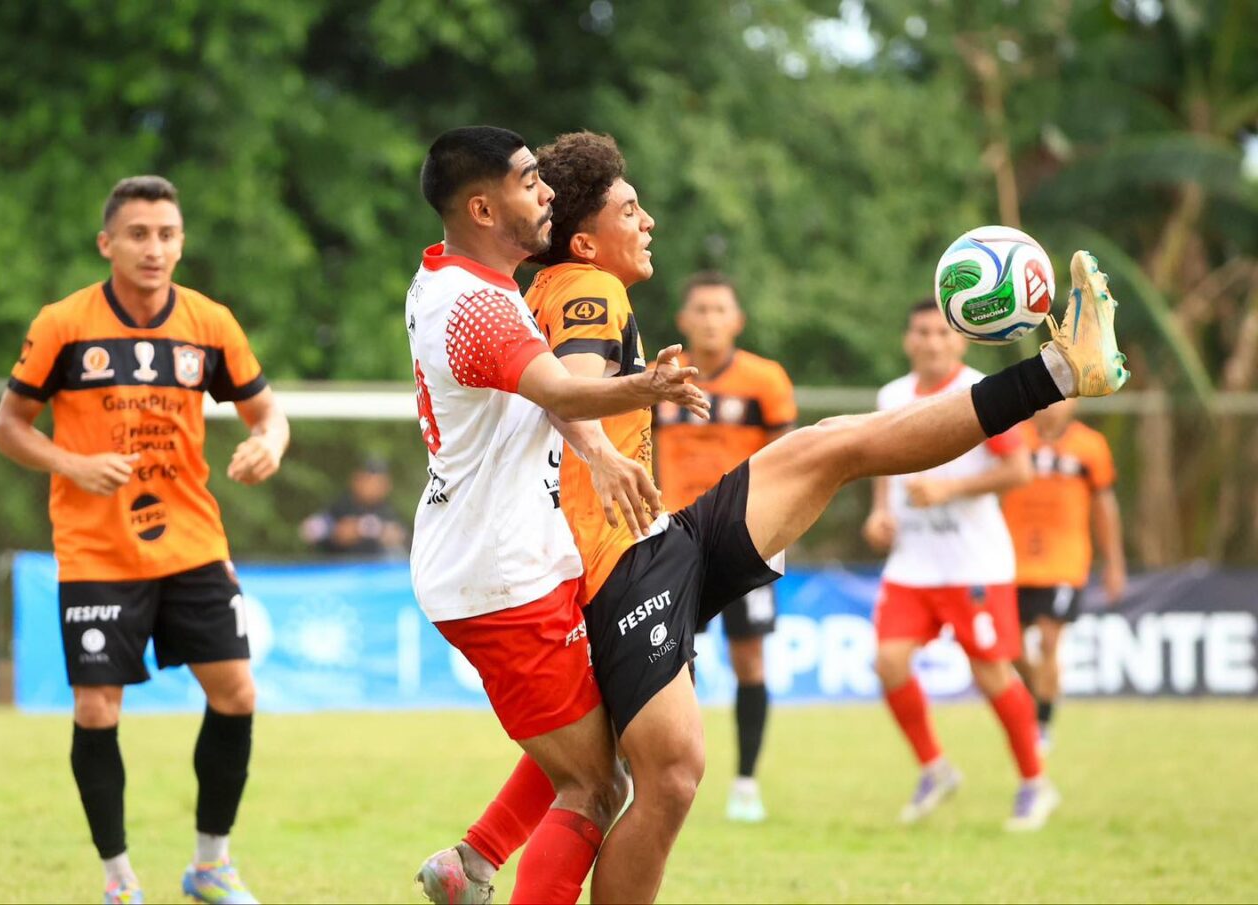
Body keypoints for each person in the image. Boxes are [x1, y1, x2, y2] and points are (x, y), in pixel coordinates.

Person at [419, 129, 1129, 904]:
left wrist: (601, 441)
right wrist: (607, 441)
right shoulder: (589, 290)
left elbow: (559, 391)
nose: (648, 218)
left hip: (652, 541)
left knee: (835, 444)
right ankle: (1056, 372)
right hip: (617, 567)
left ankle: (1058, 370)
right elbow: (576, 382)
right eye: (631, 206)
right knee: (657, 777)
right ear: (587, 240)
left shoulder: (541, 291)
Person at [405, 126, 711, 905]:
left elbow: (538, 394)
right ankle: (474, 861)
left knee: (593, 740)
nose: (543, 190)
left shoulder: (463, 279)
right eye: (526, 179)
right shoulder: (478, 307)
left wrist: (602, 455)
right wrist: (649, 388)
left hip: (503, 557)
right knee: (590, 782)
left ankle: (472, 859)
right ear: (482, 206)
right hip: (502, 576)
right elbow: (570, 386)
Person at [0, 176, 290, 904]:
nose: (154, 248)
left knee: (237, 693)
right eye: (138, 234)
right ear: (108, 244)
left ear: (181, 242)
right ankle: (119, 879)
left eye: (167, 234)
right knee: (97, 709)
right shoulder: (64, 324)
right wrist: (73, 463)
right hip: (97, 548)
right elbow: (7, 427)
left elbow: (267, 415)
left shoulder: (210, 322)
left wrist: (269, 444)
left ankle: (210, 864)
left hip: (190, 540)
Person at [862, 298, 1062, 831]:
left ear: (962, 339)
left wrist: (950, 488)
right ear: (909, 339)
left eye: (940, 333)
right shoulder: (892, 396)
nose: (931, 342)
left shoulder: (981, 394)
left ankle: (1034, 783)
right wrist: (881, 513)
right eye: (921, 332)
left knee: (990, 673)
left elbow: (1019, 470)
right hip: (913, 564)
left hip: (974, 565)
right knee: (888, 662)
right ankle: (935, 769)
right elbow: (884, 465)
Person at [653, 271, 797, 823]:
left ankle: (745, 783)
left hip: (748, 537)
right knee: (663, 659)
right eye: (701, 310)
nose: (710, 319)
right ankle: (664, 771)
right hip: (675, 537)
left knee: (749, 659)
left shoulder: (765, 380)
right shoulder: (662, 377)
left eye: (720, 310)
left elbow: (790, 462)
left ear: (737, 320)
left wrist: (781, 529)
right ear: (684, 320)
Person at [1001, 397, 1126, 752]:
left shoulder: (1090, 447)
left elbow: (1104, 506)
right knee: (1009, 646)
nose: (1053, 406)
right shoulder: (1013, 439)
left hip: (1064, 561)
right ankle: (1037, 693)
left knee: (1049, 640)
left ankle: (1042, 722)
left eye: (1062, 399)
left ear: (1074, 404)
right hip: (1012, 558)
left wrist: (1114, 562)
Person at [300, 457, 409, 556]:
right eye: (369, 480)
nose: (373, 487)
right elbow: (309, 530)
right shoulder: (341, 506)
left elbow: (404, 536)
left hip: (378, 571)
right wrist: (333, 532)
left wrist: (384, 532)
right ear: (357, 480)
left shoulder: (388, 510)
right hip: (339, 570)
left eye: (380, 483)